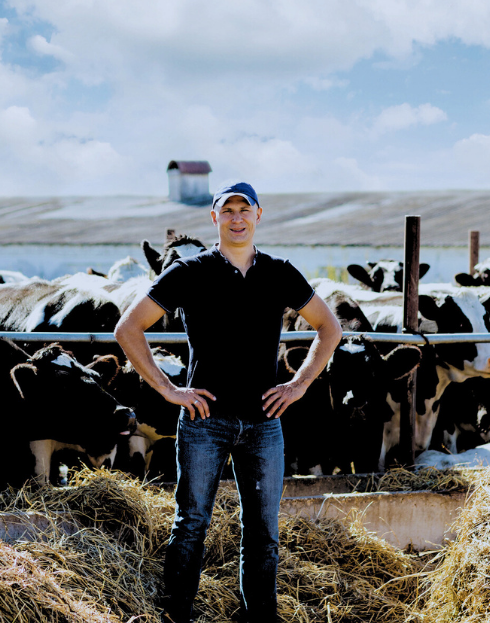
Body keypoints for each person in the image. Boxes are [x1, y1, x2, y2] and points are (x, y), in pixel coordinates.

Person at [114, 181, 342, 623]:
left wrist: (298, 384)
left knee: (263, 532)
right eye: (228, 210)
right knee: (191, 524)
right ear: (214, 217)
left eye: (245, 209)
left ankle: (260, 618)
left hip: (264, 422)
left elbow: (329, 328)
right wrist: (169, 389)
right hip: (205, 420)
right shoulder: (190, 271)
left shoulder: (279, 272)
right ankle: (175, 616)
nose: (237, 218)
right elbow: (128, 328)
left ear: (258, 215)